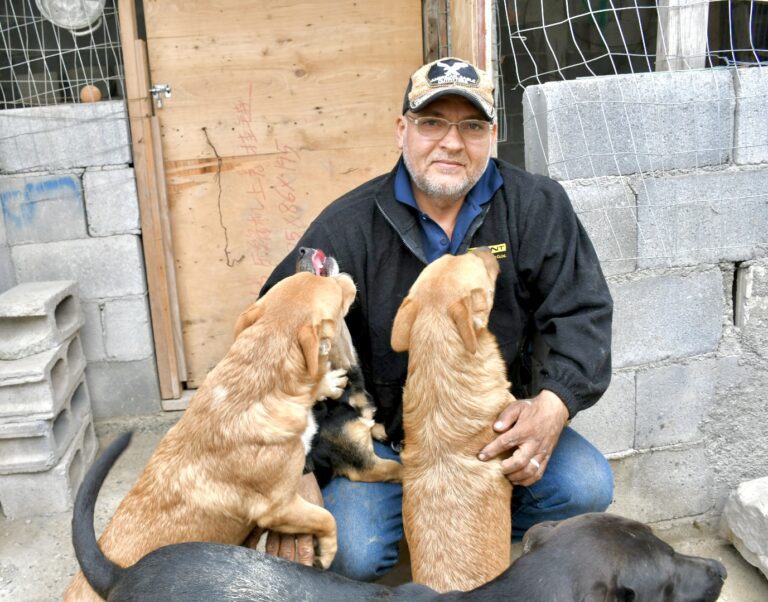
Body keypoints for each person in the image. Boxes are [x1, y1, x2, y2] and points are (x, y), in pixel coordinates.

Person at [258, 57, 614, 581]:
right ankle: (412, 520)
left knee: (585, 485)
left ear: (491, 135)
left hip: (486, 433)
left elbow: (583, 313)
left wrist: (554, 404)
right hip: (385, 442)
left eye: (472, 126)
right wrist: (295, 471)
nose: (452, 142)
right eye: (432, 123)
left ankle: (470, 525)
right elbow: (274, 348)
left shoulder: (537, 206)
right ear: (402, 129)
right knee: (352, 550)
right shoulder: (346, 229)